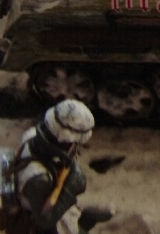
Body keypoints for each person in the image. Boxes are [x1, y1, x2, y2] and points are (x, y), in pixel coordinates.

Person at [12, 100, 111, 234]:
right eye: (74, 144)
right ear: (64, 142)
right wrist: (70, 189)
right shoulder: (39, 179)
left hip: (43, 199)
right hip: (38, 219)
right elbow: (45, 221)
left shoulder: (32, 135)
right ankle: (84, 224)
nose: (75, 148)